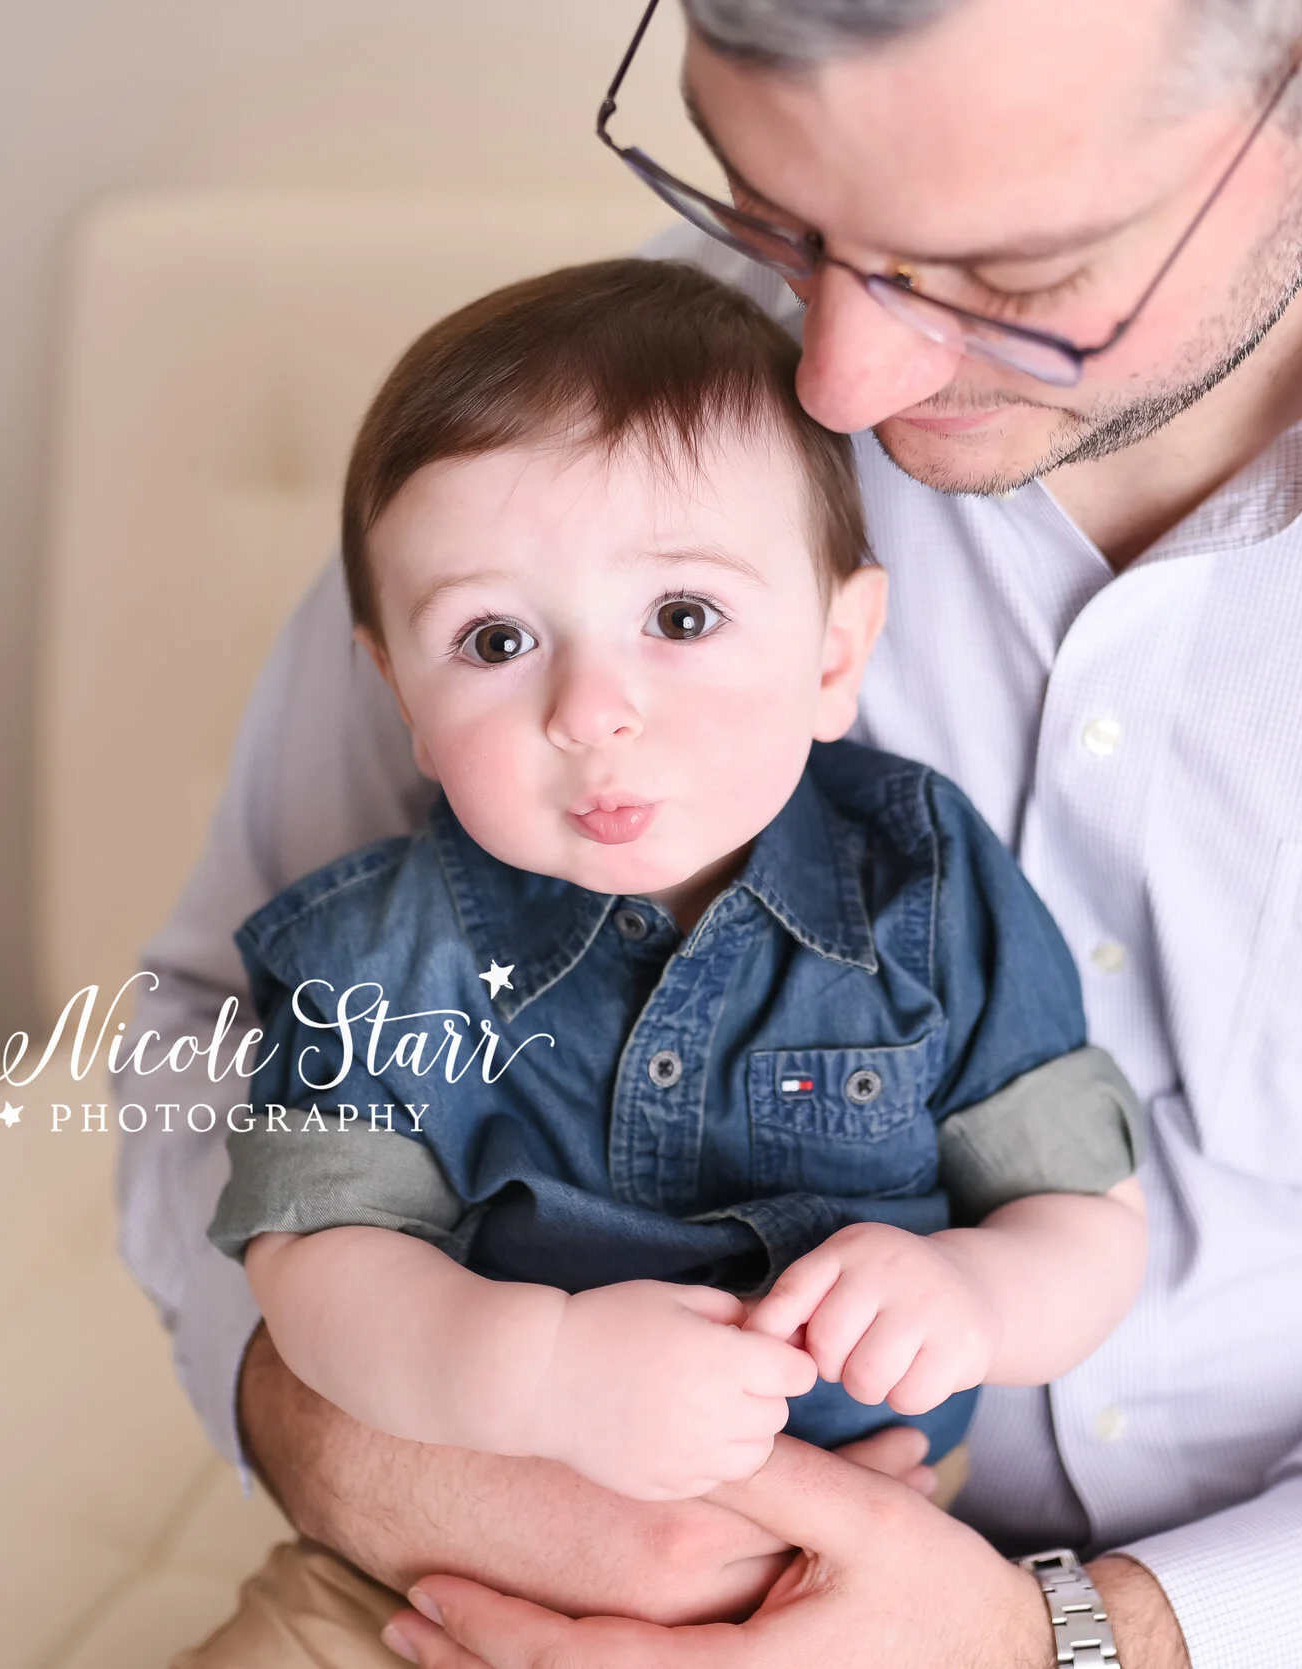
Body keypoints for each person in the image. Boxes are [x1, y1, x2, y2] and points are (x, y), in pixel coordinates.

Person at [117, 0, 1302, 1663]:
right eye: (775, 208)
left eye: (1008, 270)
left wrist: (1072, 1642)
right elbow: (223, 1036)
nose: (836, 376)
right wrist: (396, 1442)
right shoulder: (595, 451)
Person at [205, 256, 1148, 1516]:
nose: (591, 711)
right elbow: (315, 1263)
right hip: (467, 1526)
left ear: (834, 653)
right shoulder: (379, 956)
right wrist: (540, 1373)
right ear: (405, 704)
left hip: (878, 1546)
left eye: (683, 616)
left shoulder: (919, 884)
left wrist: (975, 1292)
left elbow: (1084, 1213)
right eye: (495, 641)